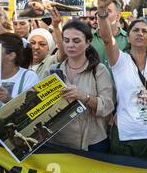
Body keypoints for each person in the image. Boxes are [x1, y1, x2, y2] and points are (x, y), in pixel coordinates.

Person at [96, 0, 147, 160]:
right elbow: (107, 39)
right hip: (126, 137)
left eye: (144, 31)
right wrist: (101, 10)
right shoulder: (120, 61)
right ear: (128, 37)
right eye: (135, 30)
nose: (139, 33)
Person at [47, 20, 115, 152]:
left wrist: (84, 96)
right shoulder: (52, 71)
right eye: (66, 40)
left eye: (76, 41)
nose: (70, 45)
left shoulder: (98, 70)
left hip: (93, 142)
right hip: (59, 143)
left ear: (88, 42)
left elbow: (107, 106)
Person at [91, 0, 128, 68]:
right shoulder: (89, 39)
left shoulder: (128, 39)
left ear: (117, 16)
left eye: (108, 11)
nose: (104, 14)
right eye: (101, 11)